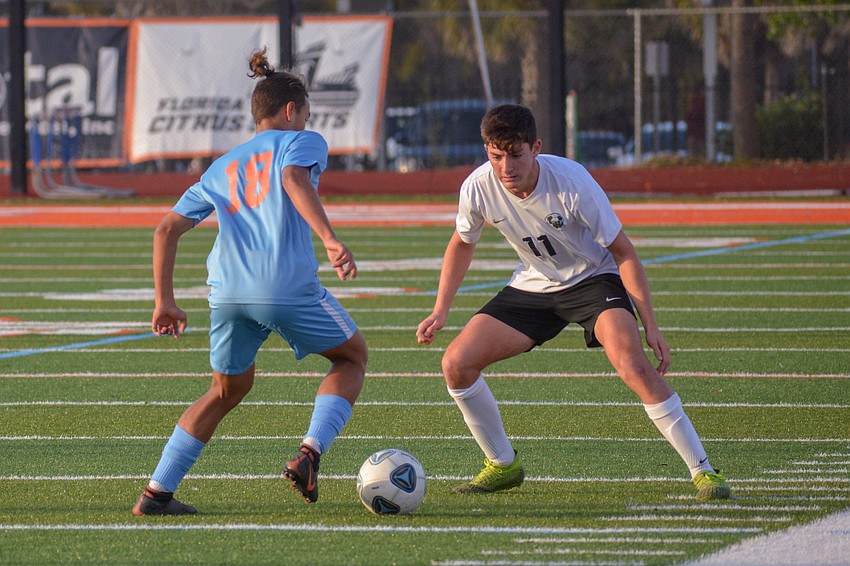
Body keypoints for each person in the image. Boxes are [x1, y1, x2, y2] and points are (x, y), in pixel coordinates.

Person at [416, 104, 730, 501]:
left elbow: (624, 252)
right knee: (456, 364)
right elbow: (462, 241)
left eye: (516, 155)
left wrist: (650, 324)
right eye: (496, 156)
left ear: (536, 148)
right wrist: (441, 307)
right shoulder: (478, 186)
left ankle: (703, 470)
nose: (506, 168)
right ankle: (503, 464)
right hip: (534, 286)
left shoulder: (571, 181)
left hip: (592, 280)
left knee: (632, 363)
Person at [132, 48, 367, 515]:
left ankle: (156, 494)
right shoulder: (302, 141)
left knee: (226, 389)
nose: (306, 121)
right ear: (290, 110)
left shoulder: (221, 166)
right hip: (284, 287)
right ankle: (310, 453)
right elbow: (293, 178)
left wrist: (165, 301)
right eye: (305, 114)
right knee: (352, 357)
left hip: (228, 295)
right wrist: (331, 239)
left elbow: (166, 229)